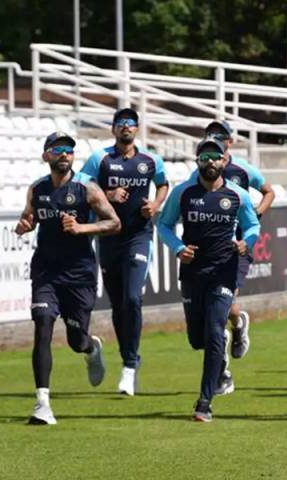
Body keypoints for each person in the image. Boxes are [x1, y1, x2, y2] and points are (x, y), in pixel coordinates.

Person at [17, 132, 121, 425]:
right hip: (46, 271)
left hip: (79, 274)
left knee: (76, 340)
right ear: (46, 156)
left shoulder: (87, 189)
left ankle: (92, 348)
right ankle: (42, 404)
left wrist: (82, 229)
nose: (64, 154)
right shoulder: (36, 189)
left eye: (69, 150)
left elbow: (115, 222)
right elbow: (28, 217)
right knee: (43, 327)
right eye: (58, 149)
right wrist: (24, 225)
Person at [157, 137, 260, 422]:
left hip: (223, 271)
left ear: (224, 160)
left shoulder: (238, 195)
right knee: (197, 339)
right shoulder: (183, 193)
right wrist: (178, 248)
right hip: (192, 273)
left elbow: (252, 225)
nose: (211, 162)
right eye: (205, 157)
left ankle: (205, 401)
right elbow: (163, 225)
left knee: (214, 332)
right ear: (197, 161)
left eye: (216, 157)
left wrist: (246, 242)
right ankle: (219, 342)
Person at [81, 107, 169, 396]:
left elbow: (163, 184)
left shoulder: (150, 159)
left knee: (133, 298)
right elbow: (80, 185)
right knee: (118, 304)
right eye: (121, 124)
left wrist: (155, 206)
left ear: (137, 129)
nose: (126, 128)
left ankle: (130, 366)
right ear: (113, 129)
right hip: (108, 238)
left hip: (139, 236)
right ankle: (127, 358)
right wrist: (106, 195)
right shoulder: (101, 158)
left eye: (131, 124)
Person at [194, 120, 276, 395]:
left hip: (237, 246)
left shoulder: (242, 170)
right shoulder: (201, 171)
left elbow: (269, 191)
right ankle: (237, 325)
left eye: (222, 135)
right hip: (207, 251)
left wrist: (256, 215)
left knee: (223, 303)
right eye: (212, 134)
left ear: (230, 141)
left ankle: (222, 373)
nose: (216, 139)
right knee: (218, 311)